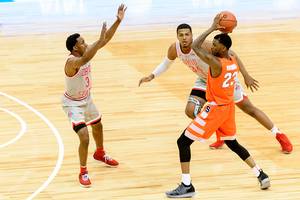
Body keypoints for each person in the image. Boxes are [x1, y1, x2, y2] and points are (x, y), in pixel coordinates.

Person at [138, 23, 292, 153]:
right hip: (205, 80)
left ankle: (280, 135)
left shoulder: (204, 46)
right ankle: (222, 135)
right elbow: (166, 63)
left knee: (249, 109)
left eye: (187, 34)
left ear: (192, 36)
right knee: (191, 110)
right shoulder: (175, 49)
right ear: (177, 37)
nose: (184, 38)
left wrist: (246, 75)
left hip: (224, 79)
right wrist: (151, 76)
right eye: (181, 35)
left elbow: (233, 55)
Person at [165, 14, 271, 198]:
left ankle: (186, 185)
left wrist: (213, 27)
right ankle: (260, 174)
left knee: (183, 141)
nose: (211, 47)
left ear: (222, 49)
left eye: (214, 45)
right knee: (232, 143)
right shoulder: (232, 63)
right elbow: (227, 53)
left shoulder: (215, 63)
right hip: (228, 108)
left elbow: (195, 45)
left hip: (214, 109)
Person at [62, 4, 127, 187]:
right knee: (84, 136)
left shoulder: (85, 51)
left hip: (86, 100)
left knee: (98, 126)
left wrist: (118, 21)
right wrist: (98, 42)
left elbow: (104, 41)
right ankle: (82, 172)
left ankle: (100, 153)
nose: (86, 44)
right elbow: (85, 59)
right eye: (83, 43)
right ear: (75, 48)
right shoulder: (73, 61)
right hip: (73, 104)